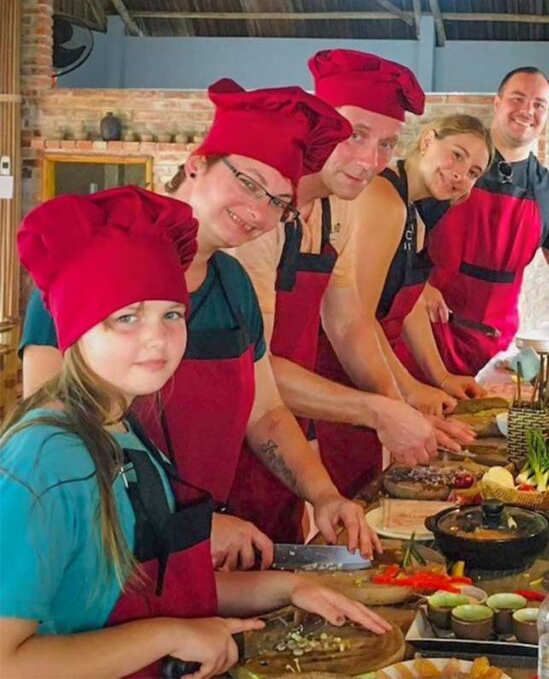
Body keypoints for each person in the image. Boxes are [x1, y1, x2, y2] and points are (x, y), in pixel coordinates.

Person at [0, 187, 389, 678]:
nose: (157, 338)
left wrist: (289, 587)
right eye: (126, 317)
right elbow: (7, 660)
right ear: (76, 329)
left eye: (172, 314)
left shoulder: (123, 431)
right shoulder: (45, 460)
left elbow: (158, 584)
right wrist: (170, 634)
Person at [19, 79, 377, 569]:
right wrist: (185, 524)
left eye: (278, 202)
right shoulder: (91, 265)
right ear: (196, 163)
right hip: (107, 558)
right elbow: (52, 438)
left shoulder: (233, 283)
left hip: (215, 555)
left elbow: (265, 413)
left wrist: (324, 494)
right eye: (249, 183)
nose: (259, 212)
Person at [228, 52, 474, 537]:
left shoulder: (337, 209)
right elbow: (251, 367)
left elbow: (349, 320)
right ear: (320, 120)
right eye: (355, 133)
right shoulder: (260, 217)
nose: (370, 161)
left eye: (386, 144)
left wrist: (400, 408)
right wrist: (380, 410)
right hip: (229, 429)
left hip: (285, 423)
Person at [314, 114, 492, 499]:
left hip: (367, 373)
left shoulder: (417, 211)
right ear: (427, 140)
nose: (461, 174)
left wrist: (441, 378)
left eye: (474, 171)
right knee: (349, 493)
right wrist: (406, 391)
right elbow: (359, 315)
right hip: (339, 370)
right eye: (456, 155)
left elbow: (406, 304)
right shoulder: (383, 198)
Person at [413, 66, 549, 377]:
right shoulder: (452, 167)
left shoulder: (547, 188)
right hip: (428, 331)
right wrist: (417, 286)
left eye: (539, 104)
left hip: (496, 343)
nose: (528, 110)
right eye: (518, 98)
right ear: (497, 103)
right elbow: (398, 236)